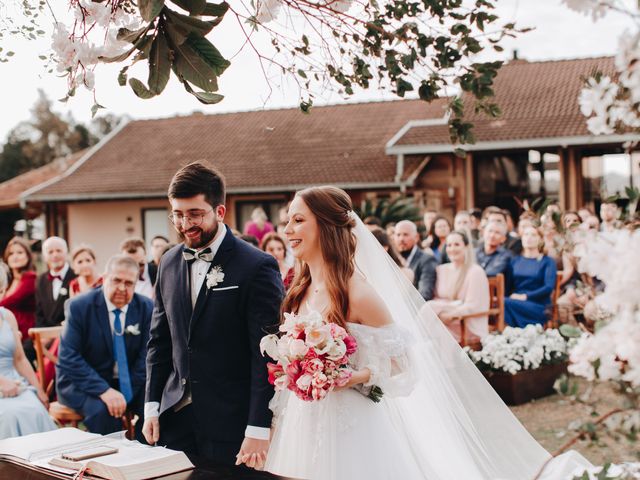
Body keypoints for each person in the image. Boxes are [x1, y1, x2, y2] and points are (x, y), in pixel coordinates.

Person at [264, 186, 589, 480]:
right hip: (305, 418)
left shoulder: (358, 293)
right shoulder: (300, 288)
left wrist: (352, 376)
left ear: (324, 225)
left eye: (297, 220)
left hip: (353, 425)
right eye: (288, 221)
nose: (288, 230)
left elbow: (402, 362)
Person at [143, 162, 284, 469]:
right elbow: (159, 341)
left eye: (195, 214)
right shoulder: (167, 262)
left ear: (220, 212)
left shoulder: (257, 266)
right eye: (177, 214)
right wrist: (152, 406)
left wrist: (259, 426)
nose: (184, 223)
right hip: (175, 417)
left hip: (231, 422)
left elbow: (267, 354)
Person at [56, 255, 152, 439]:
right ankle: (111, 462)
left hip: (131, 379)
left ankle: (144, 453)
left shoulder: (146, 307)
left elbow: (146, 355)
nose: (122, 288)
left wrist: (128, 390)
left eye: (129, 283)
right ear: (104, 278)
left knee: (155, 406)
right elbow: (69, 357)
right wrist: (104, 390)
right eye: (116, 280)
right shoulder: (79, 306)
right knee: (105, 412)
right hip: (83, 382)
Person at [0, 265, 55, 439]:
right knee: (10, 415)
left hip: (16, 383)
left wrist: (39, 390)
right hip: (5, 385)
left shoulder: (7, 316)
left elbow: (20, 359)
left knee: (36, 410)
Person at [427, 231, 489, 344]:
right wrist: (442, 314)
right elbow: (436, 298)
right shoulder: (441, 269)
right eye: (449, 245)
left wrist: (450, 315)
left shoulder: (475, 271)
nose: (452, 249)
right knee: (430, 327)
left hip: (465, 323)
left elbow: (474, 306)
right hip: (441, 319)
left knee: (433, 331)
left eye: (456, 244)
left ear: (466, 247)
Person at [504, 226, 558, 328]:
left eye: (533, 235)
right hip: (515, 301)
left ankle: (515, 332)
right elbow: (508, 287)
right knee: (502, 302)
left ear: (540, 239)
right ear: (522, 238)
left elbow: (548, 287)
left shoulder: (547, 261)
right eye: (526, 234)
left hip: (538, 305)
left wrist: (525, 296)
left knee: (505, 303)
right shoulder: (514, 261)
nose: (529, 238)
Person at [0, 237, 36, 351]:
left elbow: (11, 301)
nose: (15, 256)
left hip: (24, 333)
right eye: (11, 253)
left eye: (19, 252)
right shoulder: (9, 281)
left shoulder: (30, 278)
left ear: (28, 256)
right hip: (6, 329)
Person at [35, 236, 77, 328]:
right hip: (44, 334)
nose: (55, 255)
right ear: (45, 257)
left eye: (59, 251)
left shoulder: (76, 276)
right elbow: (39, 313)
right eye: (50, 252)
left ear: (66, 253)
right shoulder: (40, 280)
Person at [393, 220, 436, 300]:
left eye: (405, 235)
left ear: (416, 237)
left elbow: (425, 293)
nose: (401, 239)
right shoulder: (391, 259)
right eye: (398, 235)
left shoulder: (426, 260)